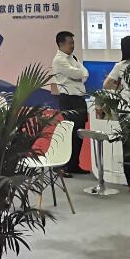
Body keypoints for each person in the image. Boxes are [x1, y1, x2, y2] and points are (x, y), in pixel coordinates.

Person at [104, 35, 130, 192]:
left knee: (129, 147)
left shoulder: (120, 66)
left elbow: (106, 84)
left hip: (126, 110)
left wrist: (120, 88)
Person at [50, 30, 90, 176]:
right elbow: (78, 73)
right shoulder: (59, 60)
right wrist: (80, 72)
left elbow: (85, 73)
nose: (73, 46)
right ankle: (63, 165)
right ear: (61, 44)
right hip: (69, 100)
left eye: (73, 43)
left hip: (79, 99)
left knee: (79, 133)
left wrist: (80, 71)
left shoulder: (73, 58)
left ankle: (74, 164)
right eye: (70, 43)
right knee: (70, 133)